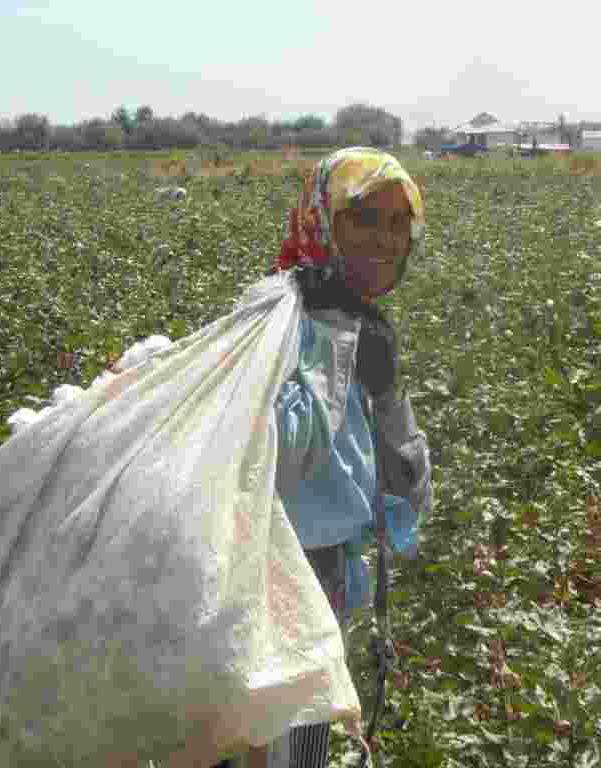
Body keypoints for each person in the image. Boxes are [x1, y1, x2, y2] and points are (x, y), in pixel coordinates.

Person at [218, 148, 434, 768]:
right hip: (260, 574)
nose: (384, 239)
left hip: (323, 575)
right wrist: (330, 353)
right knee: (257, 746)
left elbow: (409, 493)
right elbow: (269, 455)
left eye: (398, 223)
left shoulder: (364, 325)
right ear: (321, 219)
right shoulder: (272, 314)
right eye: (363, 218)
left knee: (299, 744)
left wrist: (387, 392)